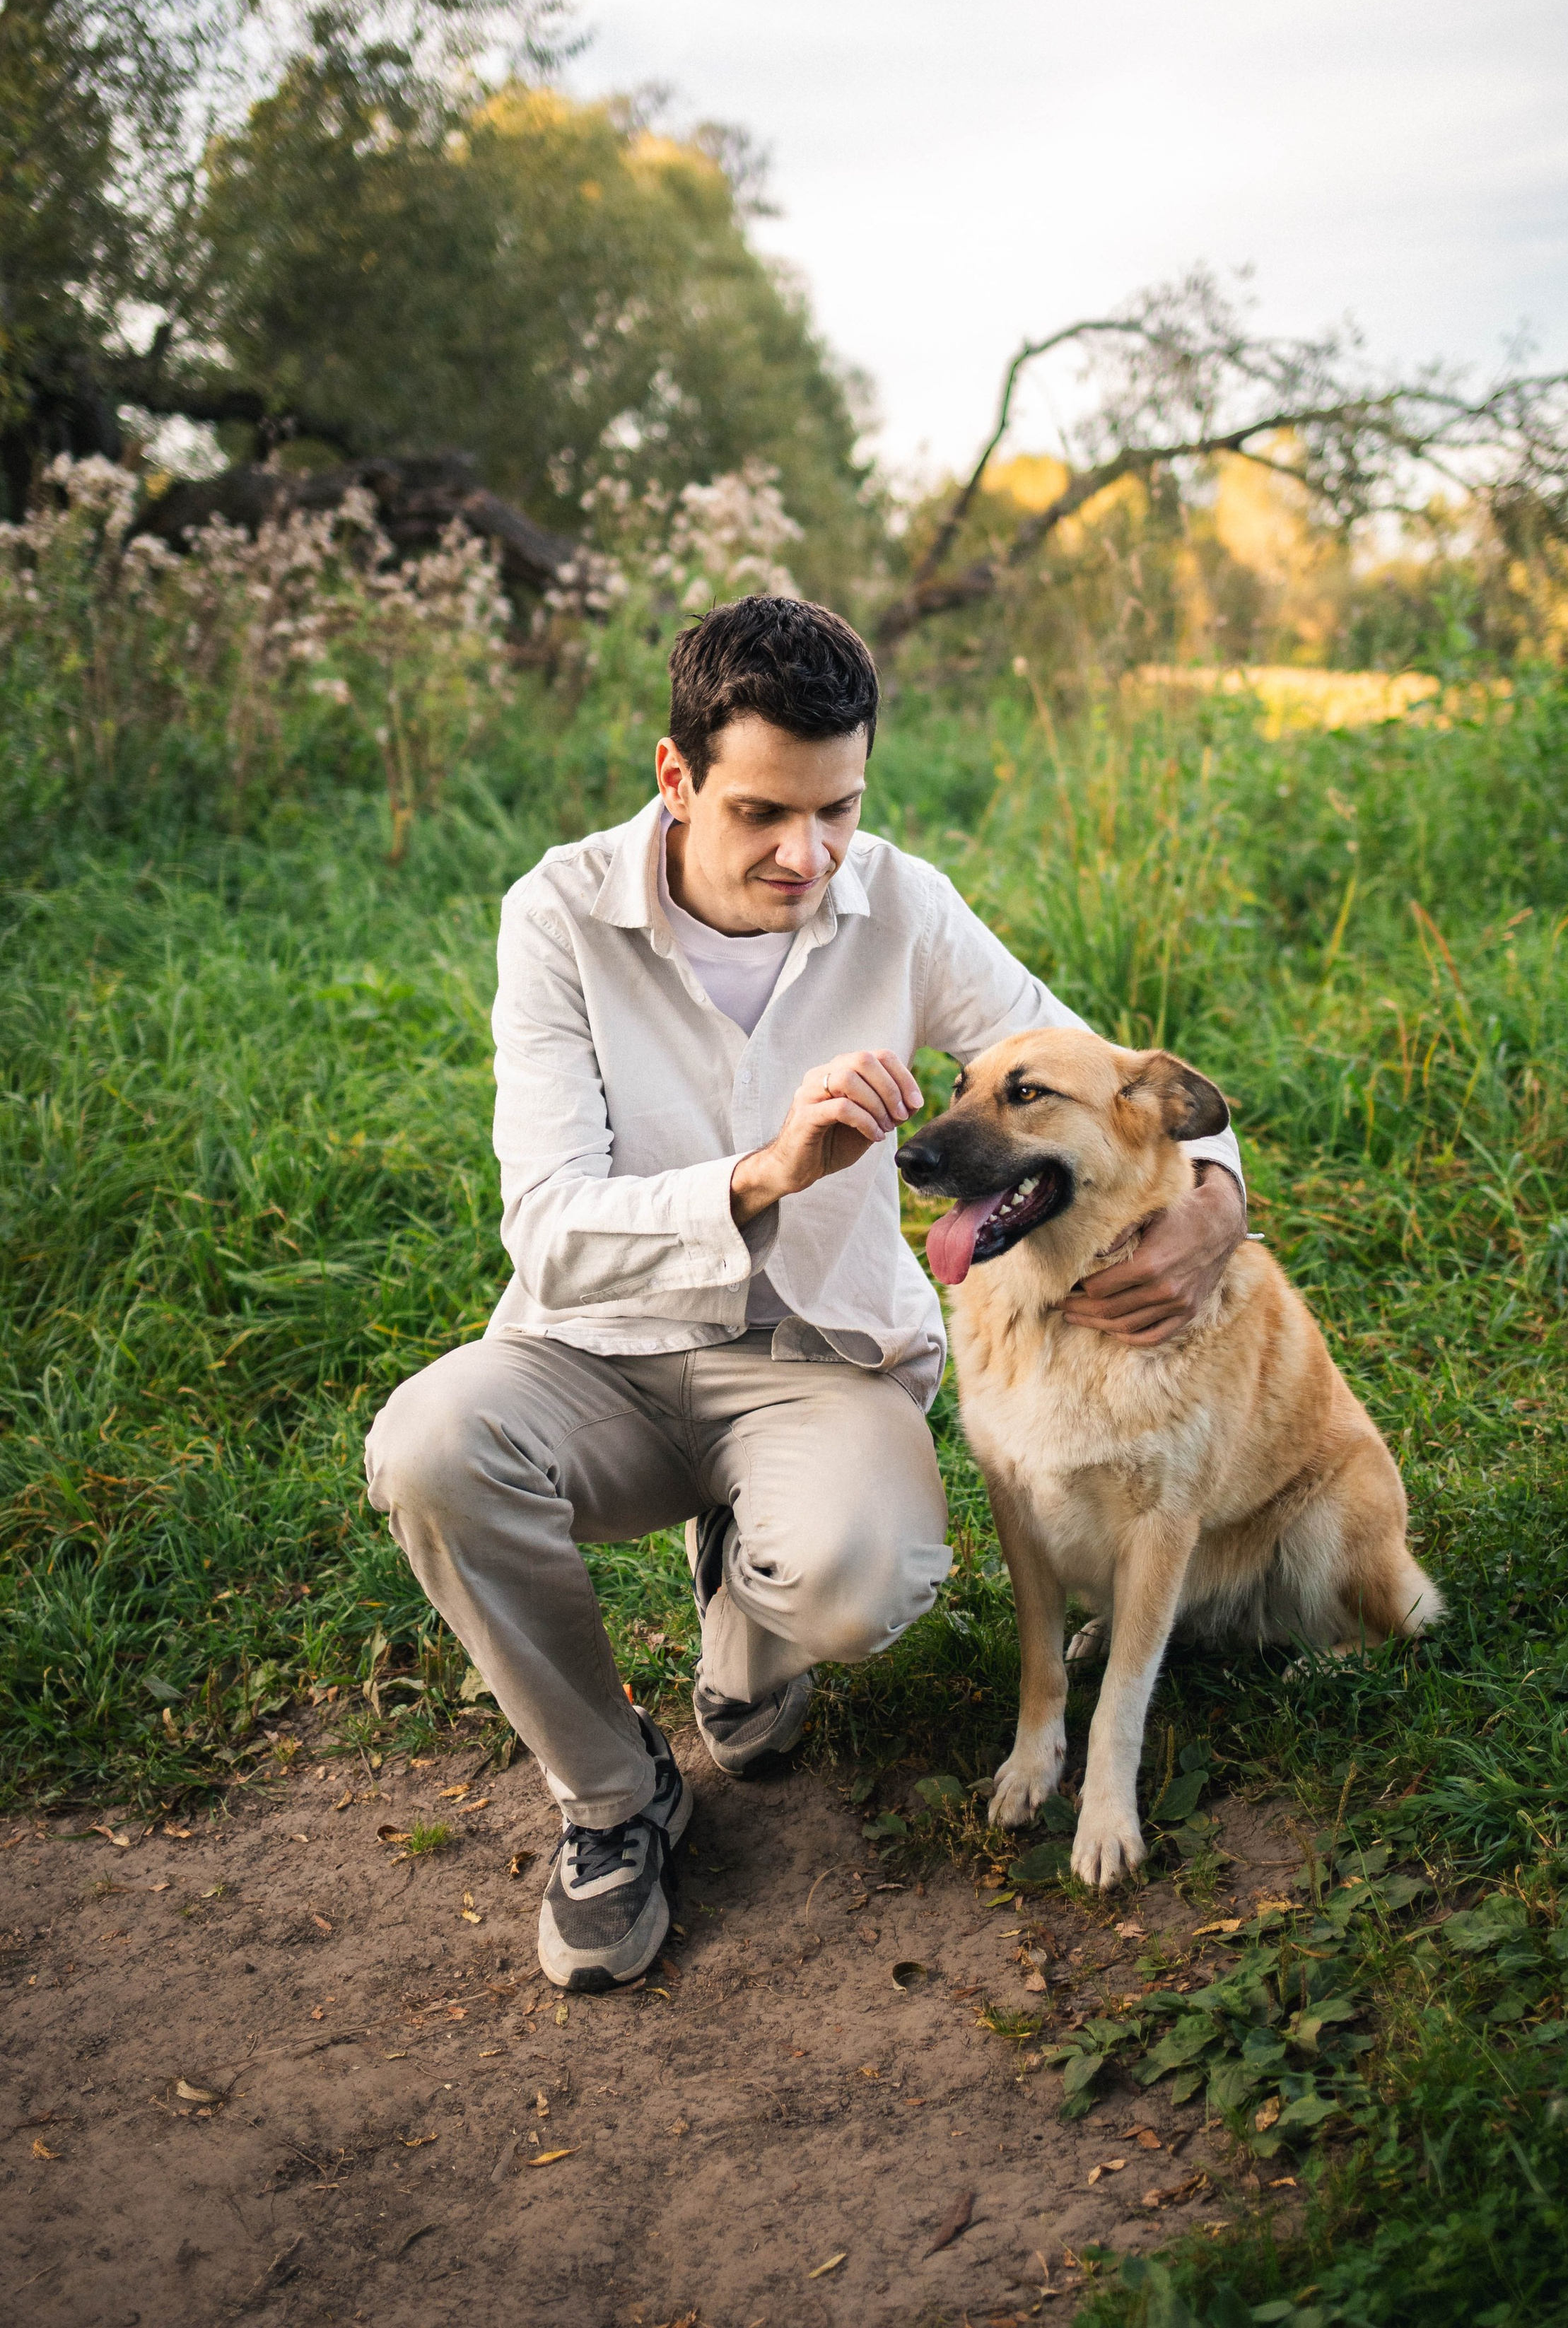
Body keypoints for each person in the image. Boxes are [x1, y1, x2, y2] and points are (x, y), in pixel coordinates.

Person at [365, 597, 1246, 1989]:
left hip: (817, 1356)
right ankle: (610, 1797)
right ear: (676, 777)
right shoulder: (556, 917)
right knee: (426, 1448)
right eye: (766, 812)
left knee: (862, 1574)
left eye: (837, 808)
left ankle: (751, 1603)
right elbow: (544, 1229)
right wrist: (763, 1171)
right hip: (592, 1352)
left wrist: (1216, 1200)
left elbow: (1100, 1070)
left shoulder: (897, 898)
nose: (808, 852)